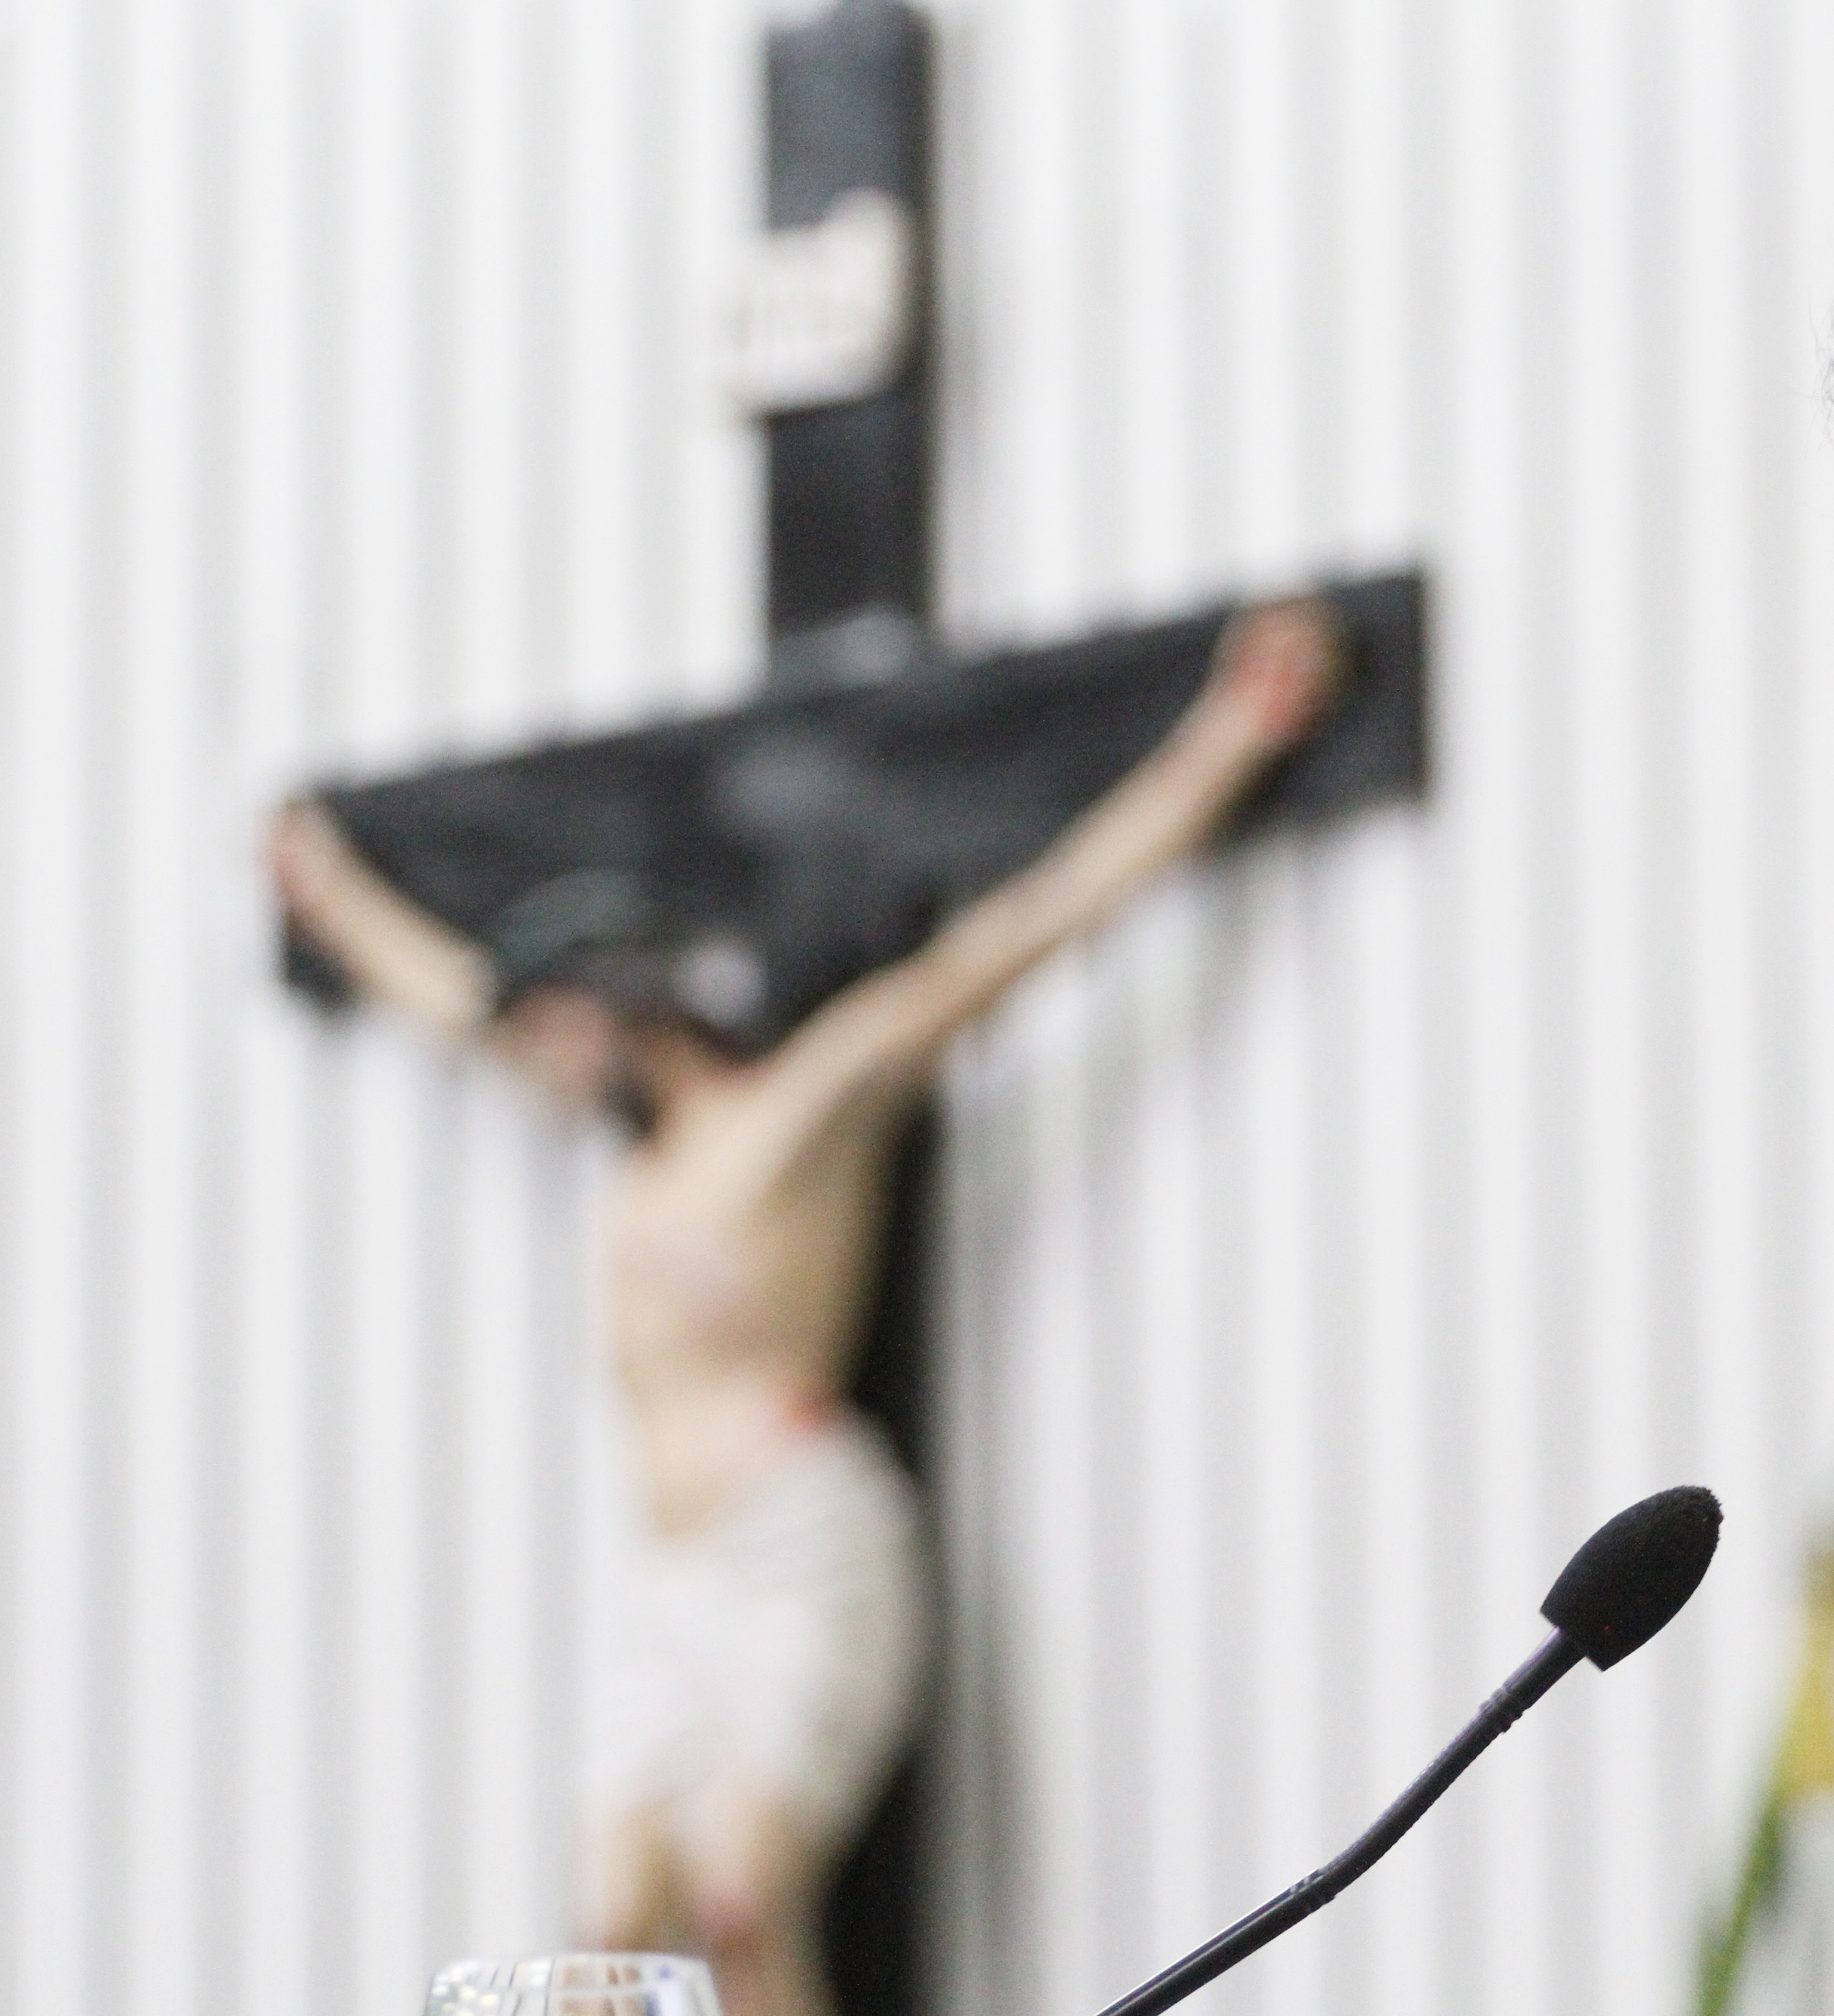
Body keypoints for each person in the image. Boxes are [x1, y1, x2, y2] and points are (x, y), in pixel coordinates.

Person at [269, 598, 1344, 2016]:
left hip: (797, 1537)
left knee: (739, 1896)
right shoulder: (636, 1161)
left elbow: (1023, 931)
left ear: (632, 999)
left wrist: (1229, 737)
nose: (547, 1050)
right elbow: (454, 1001)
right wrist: (329, 892)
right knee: (606, 1927)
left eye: (566, 1018)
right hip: (674, 1575)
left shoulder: (796, 1111)